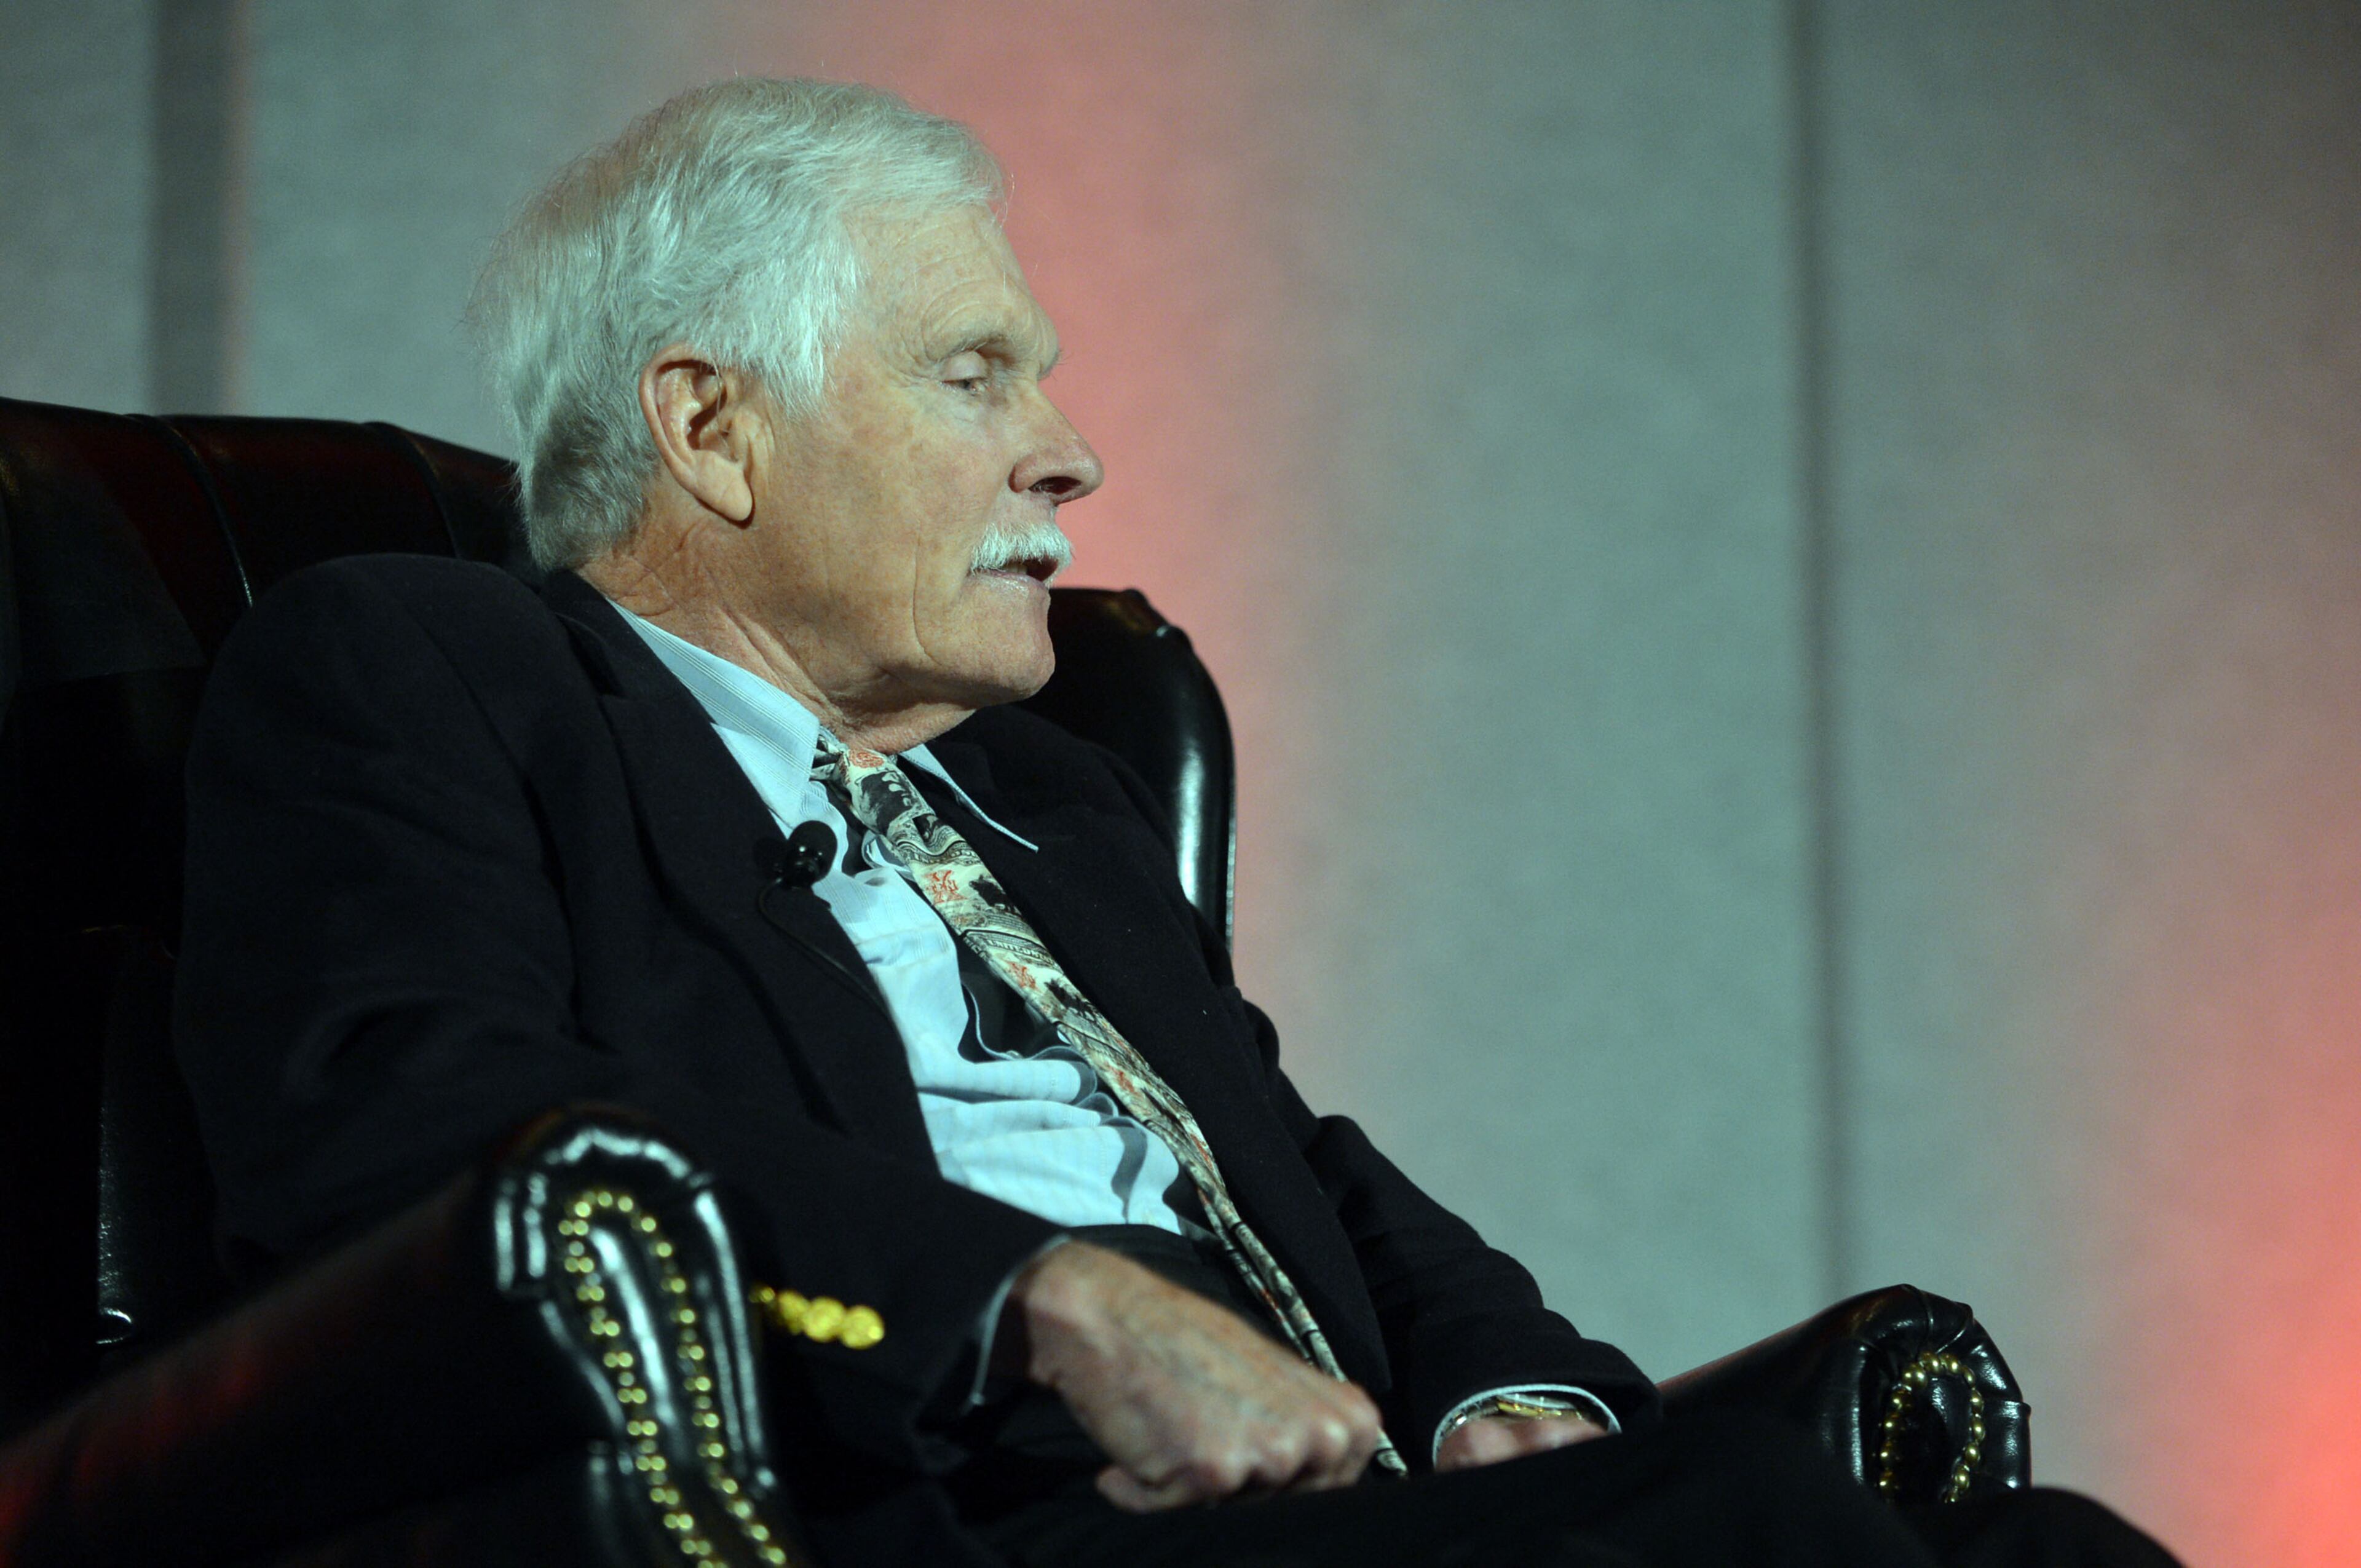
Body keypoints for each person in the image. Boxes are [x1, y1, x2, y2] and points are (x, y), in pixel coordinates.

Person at [173, 77, 2178, 1567]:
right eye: (975, 375)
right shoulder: (437, 669)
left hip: (1330, 1501)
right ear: (713, 429)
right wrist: (1035, 1302)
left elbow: (1302, 1163)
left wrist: (1514, 1390)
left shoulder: (1049, 790)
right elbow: (406, 1108)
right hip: (966, 1498)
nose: (1071, 450)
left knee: (2034, 1546)